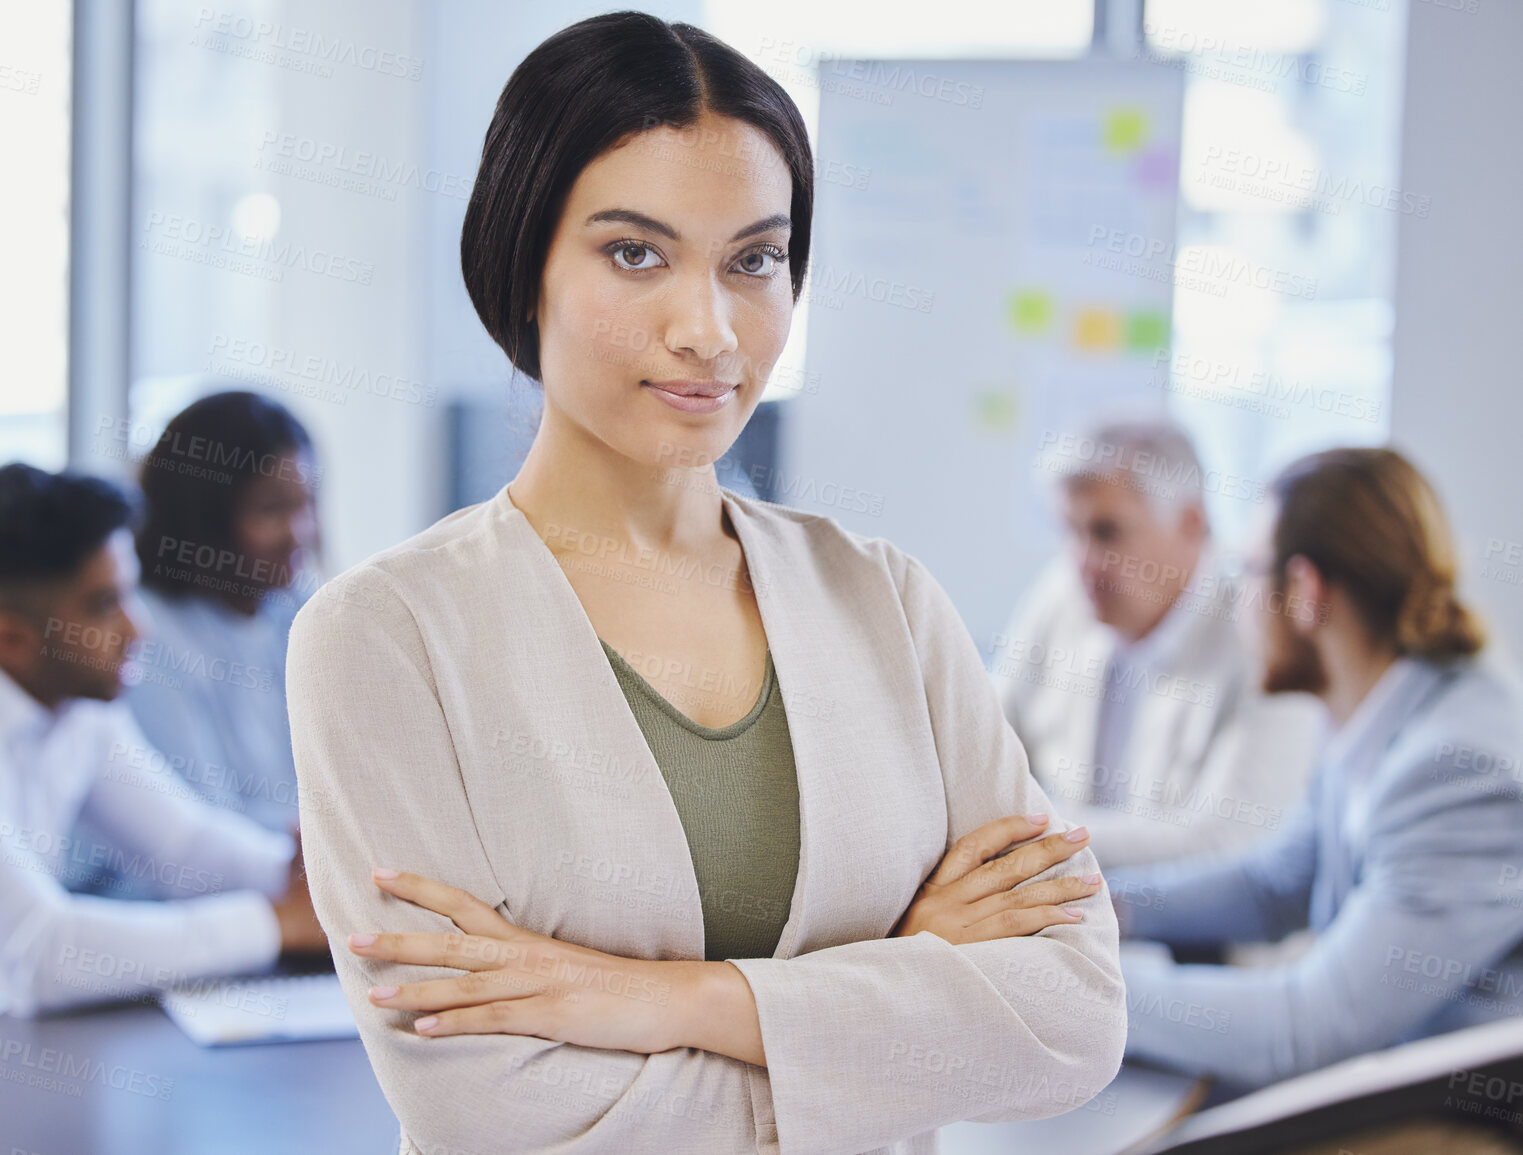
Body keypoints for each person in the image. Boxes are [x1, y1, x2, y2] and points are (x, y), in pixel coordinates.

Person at [285, 14, 1124, 1155]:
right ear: (521, 259)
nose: (709, 330)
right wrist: (895, 1013)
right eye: (635, 253)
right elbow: (491, 1109)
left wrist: (656, 998)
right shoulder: (386, 639)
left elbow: (1071, 1020)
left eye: (754, 260)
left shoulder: (885, 604)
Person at [0, 465, 326, 1151]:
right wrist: (276, 922)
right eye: (104, 604)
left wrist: (312, 876)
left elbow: (183, 848)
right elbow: (34, 954)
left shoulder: (66, 686)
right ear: (8, 637)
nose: (139, 629)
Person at [1111, 447, 1523, 1090]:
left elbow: (1305, 1028)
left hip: (1460, 1122)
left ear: (1304, 591)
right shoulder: (1385, 707)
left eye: (1246, 572)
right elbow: (1277, 884)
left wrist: (1080, 986)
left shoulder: (1455, 769)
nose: (1235, 602)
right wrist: (1102, 908)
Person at [994, 418, 1322, 870]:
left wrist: (1024, 839)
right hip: (1064, 920)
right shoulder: (1058, 598)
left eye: (1107, 532)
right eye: (1069, 531)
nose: (1082, 561)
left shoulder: (1264, 634)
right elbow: (983, 749)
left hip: (1199, 936)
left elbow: (1224, 843)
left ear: (1191, 524)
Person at [122, 390, 319, 831]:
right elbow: (199, 831)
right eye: (270, 510)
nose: (298, 533)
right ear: (200, 516)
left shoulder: (299, 612)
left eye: (305, 504)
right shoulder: (147, 636)